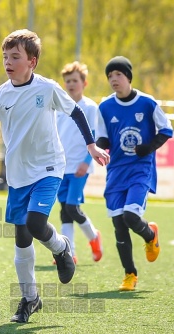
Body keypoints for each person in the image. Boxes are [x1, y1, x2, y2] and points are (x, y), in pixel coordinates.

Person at [0, 29, 110, 323]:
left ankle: (62, 248)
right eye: (5, 57)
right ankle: (30, 299)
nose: (8, 62)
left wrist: (91, 145)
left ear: (32, 61)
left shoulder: (47, 89)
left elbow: (76, 112)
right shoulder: (0, 95)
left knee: (35, 222)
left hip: (49, 167)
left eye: (15, 57)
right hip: (18, 175)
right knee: (22, 238)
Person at [95, 56, 173, 291]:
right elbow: (103, 138)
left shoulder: (148, 103)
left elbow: (166, 130)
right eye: (109, 76)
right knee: (119, 224)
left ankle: (150, 236)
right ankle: (130, 274)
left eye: (118, 74)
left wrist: (148, 148)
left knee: (130, 216)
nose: (113, 79)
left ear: (128, 77)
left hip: (141, 169)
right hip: (116, 171)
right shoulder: (105, 107)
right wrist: (95, 148)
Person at [54, 61, 103, 265]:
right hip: (60, 167)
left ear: (84, 83)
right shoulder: (59, 108)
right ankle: (70, 253)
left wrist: (86, 161)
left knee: (73, 208)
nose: (71, 84)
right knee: (64, 210)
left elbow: (95, 136)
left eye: (75, 80)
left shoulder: (90, 107)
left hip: (79, 167)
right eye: (67, 81)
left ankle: (93, 237)